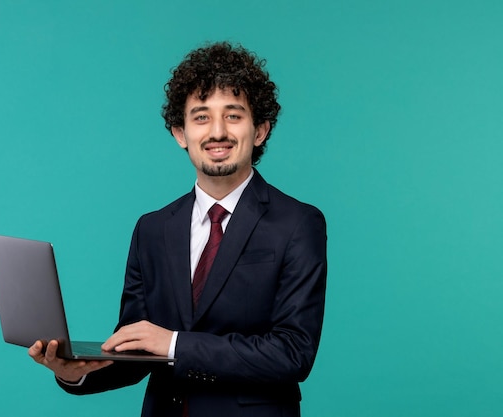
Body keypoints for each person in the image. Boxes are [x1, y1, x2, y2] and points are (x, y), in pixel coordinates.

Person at [29, 41, 327, 417]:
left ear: (261, 130)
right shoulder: (152, 229)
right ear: (180, 133)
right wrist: (74, 373)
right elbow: (138, 351)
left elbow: (292, 353)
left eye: (233, 116)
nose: (217, 132)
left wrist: (175, 344)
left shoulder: (299, 223)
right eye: (201, 117)